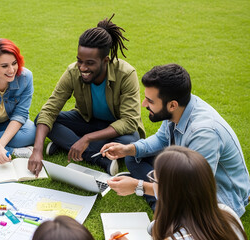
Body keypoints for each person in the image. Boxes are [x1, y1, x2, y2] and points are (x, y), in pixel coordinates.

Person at [103, 64, 250, 216]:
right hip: (187, 173)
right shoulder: (180, 106)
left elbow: (194, 189)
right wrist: (127, 149)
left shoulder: (204, 134)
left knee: (184, 210)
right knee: (134, 157)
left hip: (219, 197)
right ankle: (164, 196)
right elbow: (161, 139)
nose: (144, 104)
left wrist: (138, 186)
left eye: (150, 101)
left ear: (172, 105)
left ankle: (165, 200)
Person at [28, 14, 145, 176]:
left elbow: (130, 121)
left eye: (90, 63)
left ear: (105, 60)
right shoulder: (73, 71)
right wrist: (37, 149)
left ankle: (66, 144)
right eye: (79, 61)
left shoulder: (126, 74)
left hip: (115, 127)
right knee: (43, 119)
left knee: (130, 141)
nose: (82, 67)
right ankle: (98, 158)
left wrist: (87, 138)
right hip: (86, 121)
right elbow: (49, 110)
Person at [108, 146, 247, 240]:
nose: (151, 181)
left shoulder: (174, 236)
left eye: (153, 179)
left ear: (168, 192)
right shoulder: (227, 213)